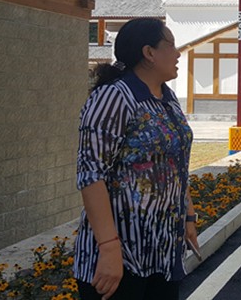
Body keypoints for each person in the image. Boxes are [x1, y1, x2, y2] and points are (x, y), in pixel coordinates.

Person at [74, 18, 197, 300]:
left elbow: (176, 161)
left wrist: (188, 216)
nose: (178, 53)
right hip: (120, 258)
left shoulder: (167, 98)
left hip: (162, 252)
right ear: (149, 52)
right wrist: (108, 247)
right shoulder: (113, 97)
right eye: (171, 45)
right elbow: (91, 175)